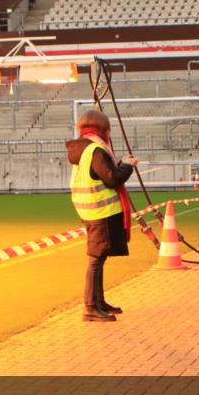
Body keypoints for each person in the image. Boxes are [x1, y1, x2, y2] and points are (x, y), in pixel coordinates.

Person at [66, 109, 138, 322]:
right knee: (96, 259)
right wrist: (127, 165)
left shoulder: (83, 149)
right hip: (101, 212)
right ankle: (90, 306)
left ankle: (98, 301)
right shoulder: (96, 150)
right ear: (102, 129)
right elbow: (112, 179)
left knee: (100, 257)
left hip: (89, 210)